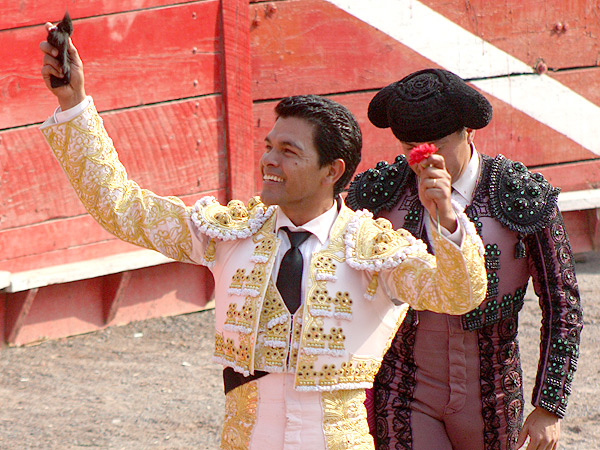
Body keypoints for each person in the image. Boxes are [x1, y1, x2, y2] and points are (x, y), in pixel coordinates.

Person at [39, 26, 488, 450]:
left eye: (289, 152)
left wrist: (445, 218)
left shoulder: (373, 250)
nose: (269, 161)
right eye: (269, 146)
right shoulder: (227, 232)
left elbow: (459, 293)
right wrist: (74, 104)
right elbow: (120, 207)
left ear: (332, 170)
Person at [347, 68, 583, 450]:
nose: (423, 160)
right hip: (404, 384)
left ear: (468, 132)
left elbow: (562, 304)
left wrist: (549, 406)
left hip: (492, 393)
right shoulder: (380, 195)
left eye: (435, 146)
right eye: (411, 147)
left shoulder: (521, 195)